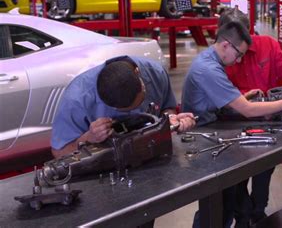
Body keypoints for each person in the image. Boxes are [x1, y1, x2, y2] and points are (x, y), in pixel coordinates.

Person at [181, 21, 282, 228]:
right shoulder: (208, 69)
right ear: (225, 44)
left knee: (227, 202)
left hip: (211, 133)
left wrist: (243, 97)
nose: (240, 59)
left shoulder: (213, 60)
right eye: (239, 54)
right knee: (217, 208)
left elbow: (224, 102)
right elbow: (247, 110)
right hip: (204, 141)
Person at [219, 8, 282, 227]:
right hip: (235, 129)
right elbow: (220, 97)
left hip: (267, 125)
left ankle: (257, 212)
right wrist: (242, 98)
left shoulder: (267, 44)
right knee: (237, 185)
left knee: (263, 176)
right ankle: (243, 217)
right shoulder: (220, 58)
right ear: (224, 39)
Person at [51, 55, 196, 158]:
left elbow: (167, 108)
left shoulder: (155, 73)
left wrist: (170, 120)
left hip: (154, 156)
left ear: (138, 74)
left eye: (140, 103)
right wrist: (88, 138)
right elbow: (59, 152)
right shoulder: (77, 99)